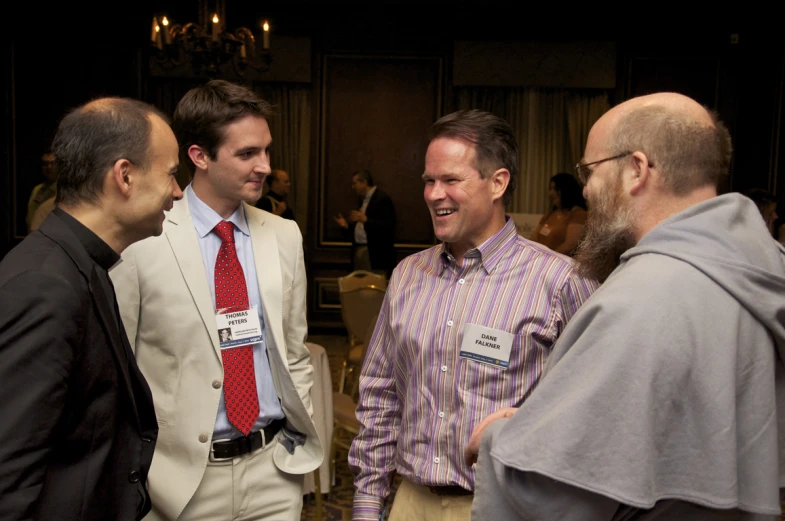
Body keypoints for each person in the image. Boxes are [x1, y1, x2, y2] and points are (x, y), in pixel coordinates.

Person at [468, 92, 785, 520]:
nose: (585, 188)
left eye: (590, 171)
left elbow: (556, 494)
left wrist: (496, 438)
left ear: (636, 169)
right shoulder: (757, 269)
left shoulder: (640, 299)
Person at [348, 109, 599, 521]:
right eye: (429, 181)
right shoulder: (409, 274)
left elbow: (591, 409)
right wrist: (367, 502)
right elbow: (381, 393)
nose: (433, 194)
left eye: (451, 180)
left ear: (498, 182)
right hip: (410, 502)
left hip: (505, 506)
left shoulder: (561, 283)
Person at [110, 79, 322, 521]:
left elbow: (295, 351)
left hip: (273, 472)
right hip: (180, 482)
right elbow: (120, 369)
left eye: (266, 150)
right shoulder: (143, 240)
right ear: (199, 156)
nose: (264, 166)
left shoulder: (283, 235)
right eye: (247, 154)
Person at [0, 97, 182, 520]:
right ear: (124, 176)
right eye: (171, 174)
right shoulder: (45, 284)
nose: (177, 191)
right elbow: (8, 478)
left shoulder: (84, 265)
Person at [333, 169, 397, 276]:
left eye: (355, 183)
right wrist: (346, 226)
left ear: (364, 182)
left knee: (374, 289)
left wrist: (366, 220)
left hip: (375, 255)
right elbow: (362, 229)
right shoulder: (363, 200)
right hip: (360, 250)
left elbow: (388, 226)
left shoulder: (382, 199)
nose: (353, 187)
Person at [531, 172, 587, 255]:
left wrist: (548, 260)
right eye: (550, 189)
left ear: (566, 190)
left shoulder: (578, 214)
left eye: (555, 189)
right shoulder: (549, 215)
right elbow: (534, 239)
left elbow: (570, 244)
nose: (551, 193)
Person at [26, 151, 58, 232]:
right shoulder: (37, 190)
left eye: (53, 163)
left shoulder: (65, 190)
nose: (49, 167)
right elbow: (30, 216)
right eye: (45, 164)